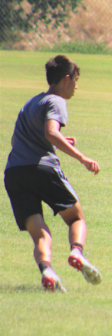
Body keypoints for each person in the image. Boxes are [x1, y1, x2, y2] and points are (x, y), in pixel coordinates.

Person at [4, 55, 103, 293]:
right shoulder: (56, 101)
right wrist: (82, 157)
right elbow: (51, 133)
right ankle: (77, 253)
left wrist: (60, 140)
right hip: (42, 168)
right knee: (76, 218)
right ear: (66, 79)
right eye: (76, 80)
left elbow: (17, 140)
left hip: (15, 173)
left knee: (40, 233)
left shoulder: (30, 103)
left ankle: (47, 270)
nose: (76, 86)